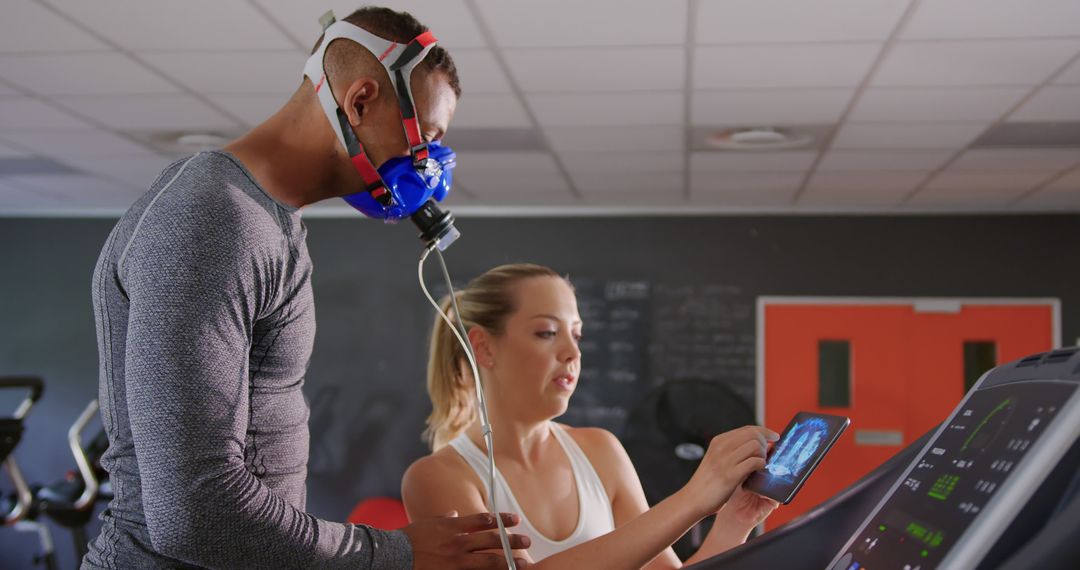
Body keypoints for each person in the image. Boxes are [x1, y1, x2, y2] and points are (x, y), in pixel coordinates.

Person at [84, 7, 529, 569]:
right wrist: (394, 553)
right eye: (427, 137)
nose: (430, 165)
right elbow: (195, 515)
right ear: (360, 101)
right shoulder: (214, 217)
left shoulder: (265, 218)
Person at [402, 264, 781, 568]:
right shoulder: (437, 479)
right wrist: (695, 497)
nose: (572, 352)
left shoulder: (601, 450)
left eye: (577, 335)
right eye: (547, 333)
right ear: (483, 348)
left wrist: (736, 522)